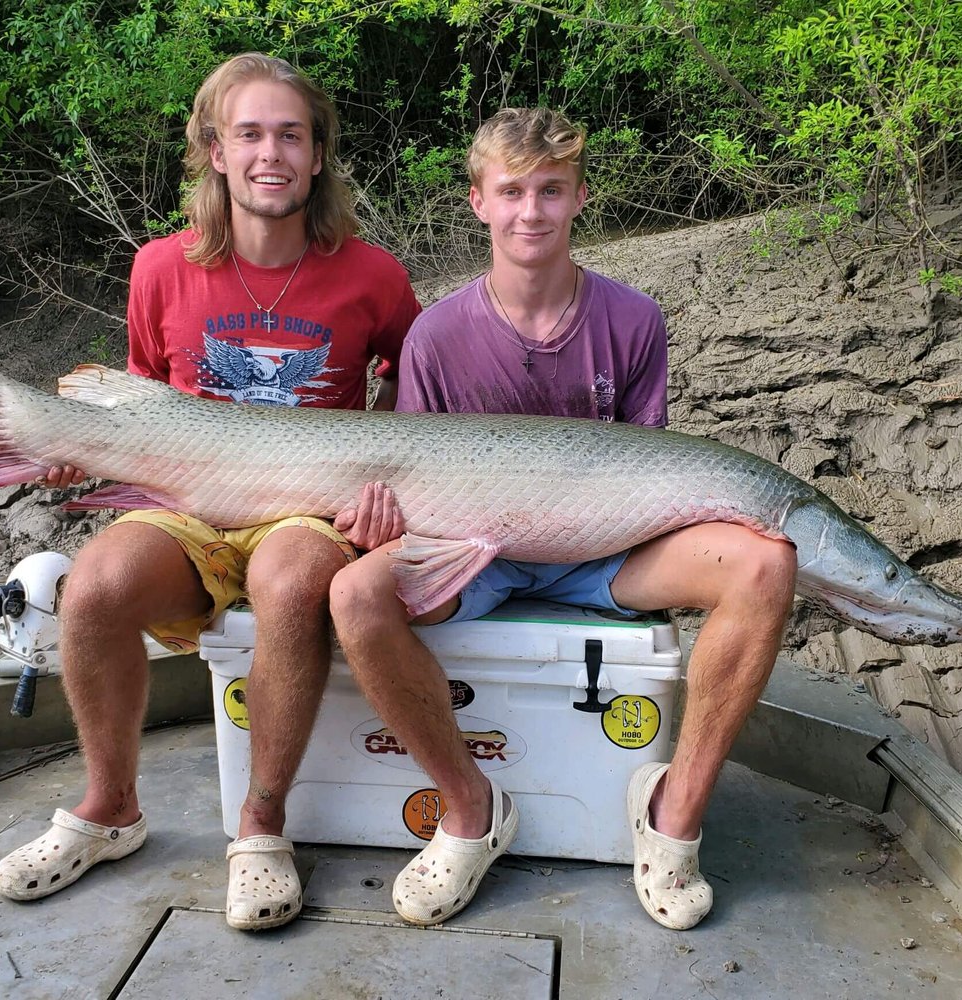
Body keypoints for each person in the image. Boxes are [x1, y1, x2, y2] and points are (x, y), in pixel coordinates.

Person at [328, 107, 798, 930]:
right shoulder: (434, 336)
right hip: (478, 556)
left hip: (603, 553)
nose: (530, 211)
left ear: (581, 197)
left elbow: (648, 480)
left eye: (550, 190)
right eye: (511, 191)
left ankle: (674, 817)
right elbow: (417, 490)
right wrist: (380, 525)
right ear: (478, 202)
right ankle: (471, 807)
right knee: (357, 594)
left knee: (766, 563)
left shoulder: (634, 320)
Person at [0, 53, 421, 931]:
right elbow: (144, 394)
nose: (273, 153)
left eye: (292, 135)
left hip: (308, 504)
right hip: (186, 500)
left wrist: (386, 489)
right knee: (97, 587)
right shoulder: (159, 266)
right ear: (215, 150)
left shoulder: (375, 275)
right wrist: (91, 455)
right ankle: (111, 808)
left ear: (318, 153)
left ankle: (259, 827)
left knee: (295, 583)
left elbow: (415, 400)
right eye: (251, 133)